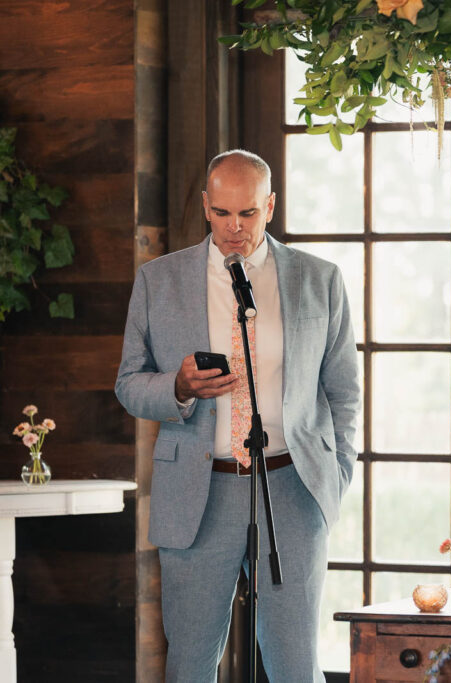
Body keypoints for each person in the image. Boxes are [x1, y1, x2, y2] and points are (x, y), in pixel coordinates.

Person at [115, 150, 359, 681]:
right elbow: (130, 385)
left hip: (293, 486)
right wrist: (179, 386)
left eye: (247, 214)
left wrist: (335, 478)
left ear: (269, 206)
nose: (234, 227)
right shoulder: (159, 281)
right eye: (222, 213)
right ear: (205, 206)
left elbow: (344, 394)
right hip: (198, 493)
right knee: (191, 664)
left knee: (296, 665)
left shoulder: (320, 279)